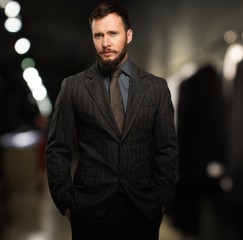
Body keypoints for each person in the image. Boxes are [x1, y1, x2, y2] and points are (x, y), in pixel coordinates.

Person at [45, 2, 178, 240]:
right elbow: (57, 148)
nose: (105, 43)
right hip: (89, 210)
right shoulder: (73, 87)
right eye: (98, 35)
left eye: (113, 33)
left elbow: (167, 149)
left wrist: (162, 201)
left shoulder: (156, 88)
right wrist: (65, 201)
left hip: (143, 209)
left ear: (129, 35)